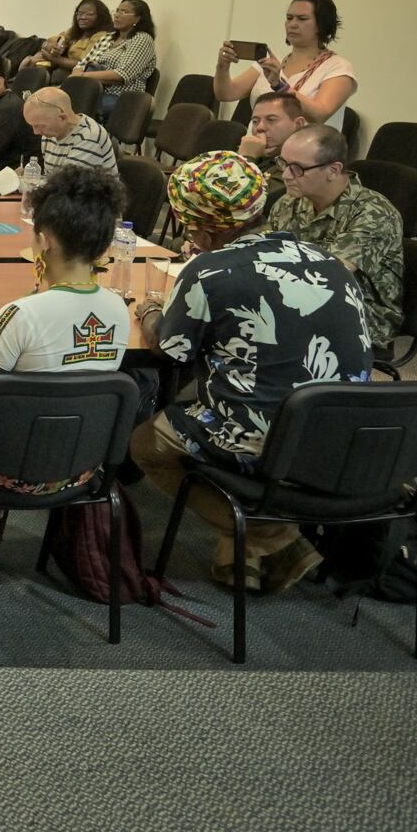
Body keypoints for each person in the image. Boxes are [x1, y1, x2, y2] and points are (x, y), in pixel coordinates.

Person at [130, 152, 373, 592]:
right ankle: (244, 556)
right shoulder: (328, 259)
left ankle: (272, 536)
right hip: (347, 433)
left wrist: (147, 309)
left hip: (265, 439)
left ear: (203, 228)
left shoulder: (209, 270)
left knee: (146, 443)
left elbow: (171, 350)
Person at [0, 167, 130, 578]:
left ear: (44, 241)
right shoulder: (117, 309)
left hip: (4, 468)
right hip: (81, 467)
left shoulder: (22, 314)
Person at [266, 124, 404, 348]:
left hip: (360, 313)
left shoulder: (374, 212)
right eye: (283, 163)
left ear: (333, 170)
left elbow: (329, 275)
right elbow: (266, 255)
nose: (285, 175)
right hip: (298, 295)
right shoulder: (289, 202)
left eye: (297, 168)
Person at [214, 0, 356, 129]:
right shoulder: (271, 61)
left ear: (322, 25)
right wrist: (222, 66)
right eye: (289, 18)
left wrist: (280, 86)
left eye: (302, 19)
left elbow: (320, 115)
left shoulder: (338, 67)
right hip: (257, 146)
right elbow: (226, 94)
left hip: (304, 148)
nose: (292, 24)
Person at [73, 0, 157, 119]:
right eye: (117, 10)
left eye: (124, 12)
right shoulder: (108, 38)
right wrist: (78, 72)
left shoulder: (142, 39)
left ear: (138, 18)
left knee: (71, 106)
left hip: (122, 97)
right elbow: (81, 64)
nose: (117, 15)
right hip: (95, 91)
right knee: (54, 100)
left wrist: (81, 76)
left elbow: (122, 75)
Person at [238, 91, 310, 206]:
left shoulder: (302, 165)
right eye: (255, 121)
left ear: (298, 125)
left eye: (271, 120)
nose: (260, 128)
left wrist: (246, 159)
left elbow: (248, 203)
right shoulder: (258, 152)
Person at [22, 86, 116, 173]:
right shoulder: (49, 134)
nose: (36, 132)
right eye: (33, 126)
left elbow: (68, 186)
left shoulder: (89, 137)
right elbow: (50, 178)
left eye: (40, 126)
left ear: (62, 118)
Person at [38, 0, 114, 75]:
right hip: (58, 71)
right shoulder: (77, 31)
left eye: (89, 14)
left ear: (101, 17)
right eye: (80, 13)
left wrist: (54, 59)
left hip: (76, 76)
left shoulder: (101, 35)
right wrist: (54, 46)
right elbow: (54, 39)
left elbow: (85, 65)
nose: (83, 17)